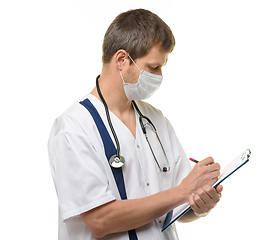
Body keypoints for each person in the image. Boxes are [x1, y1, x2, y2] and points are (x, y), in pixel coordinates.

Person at [48, 8, 223, 240]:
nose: (160, 75)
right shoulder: (74, 126)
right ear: (122, 60)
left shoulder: (156, 120)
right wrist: (182, 192)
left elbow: (179, 206)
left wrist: (198, 205)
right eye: (153, 67)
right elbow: (100, 221)